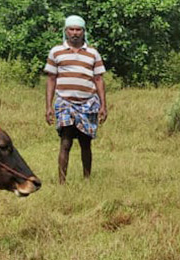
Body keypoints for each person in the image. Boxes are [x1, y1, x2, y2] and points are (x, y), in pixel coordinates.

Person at [43, 15, 107, 184]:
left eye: (78, 30)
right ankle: (62, 182)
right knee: (65, 143)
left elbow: (99, 80)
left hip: (88, 103)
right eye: (71, 29)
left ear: (84, 32)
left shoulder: (93, 53)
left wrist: (103, 106)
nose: (75, 33)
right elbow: (51, 79)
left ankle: (87, 180)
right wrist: (48, 106)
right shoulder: (56, 52)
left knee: (86, 144)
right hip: (65, 102)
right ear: (66, 31)